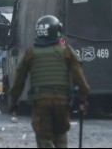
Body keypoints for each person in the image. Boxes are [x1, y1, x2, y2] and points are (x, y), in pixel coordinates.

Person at [9, 15, 90, 148]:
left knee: (43, 137)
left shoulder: (31, 52)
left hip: (40, 101)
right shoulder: (66, 51)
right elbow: (79, 76)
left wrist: (14, 101)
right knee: (61, 134)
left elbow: (19, 79)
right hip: (62, 101)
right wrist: (83, 96)